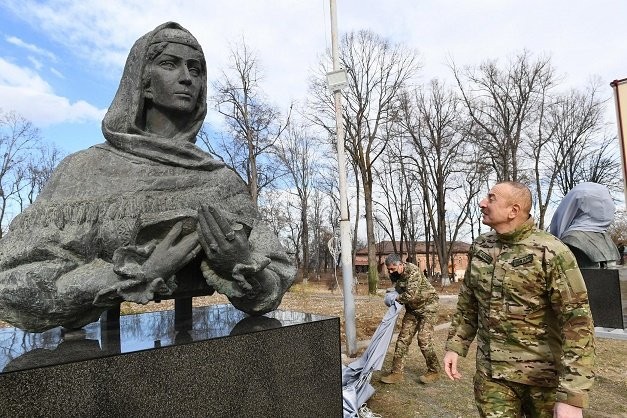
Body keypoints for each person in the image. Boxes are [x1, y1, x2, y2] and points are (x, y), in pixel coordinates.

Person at [0, 22, 295, 332]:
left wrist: (240, 262)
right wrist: (139, 274)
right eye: (170, 64)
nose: (187, 77)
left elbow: (274, 281)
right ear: (143, 83)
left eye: (196, 70)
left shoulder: (222, 182)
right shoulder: (82, 172)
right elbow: (12, 283)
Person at [443, 181, 595, 418]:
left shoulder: (551, 252)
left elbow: (577, 325)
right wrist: (455, 346)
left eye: (491, 198)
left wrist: (572, 397)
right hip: (492, 377)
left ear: (513, 210)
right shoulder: (480, 247)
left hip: (542, 380)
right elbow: (469, 303)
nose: (482, 203)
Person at [380, 253, 441, 384]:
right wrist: (391, 293)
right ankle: (396, 373)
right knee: (403, 339)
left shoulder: (413, 271)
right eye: (389, 269)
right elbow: (398, 289)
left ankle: (434, 370)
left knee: (423, 340)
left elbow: (409, 295)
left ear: (400, 264)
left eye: (393, 269)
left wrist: (395, 298)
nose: (390, 272)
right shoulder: (394, 274)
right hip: (412, 309)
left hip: (428, 307)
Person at [549, 182, 620, 268]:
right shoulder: (572, 239)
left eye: (606, 200)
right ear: (583, 205)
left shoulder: (603, 236)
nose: (606, 206)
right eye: (599, 201)